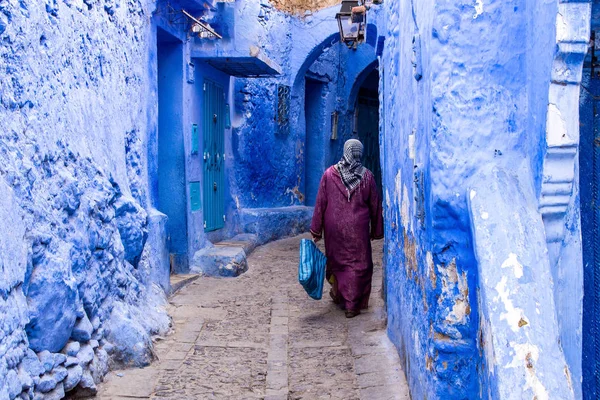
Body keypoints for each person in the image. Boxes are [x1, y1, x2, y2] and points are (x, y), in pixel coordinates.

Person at [310, 139, 384, 318]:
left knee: (338, 262)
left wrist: (316, 230)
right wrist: (376, 230)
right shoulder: (367, 177)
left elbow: (321, 202)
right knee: (360, 265)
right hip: (357, 230)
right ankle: (352, 304)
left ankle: (340, 294)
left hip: (333, 228)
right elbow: (375, 206)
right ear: (360, 153)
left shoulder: (329, 174)